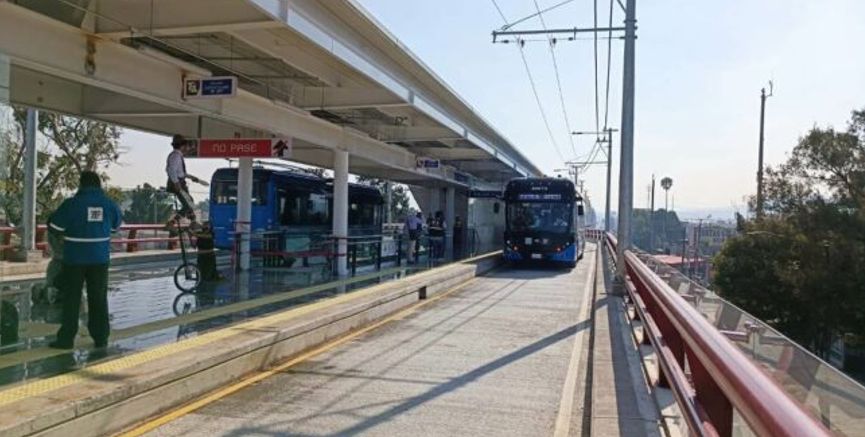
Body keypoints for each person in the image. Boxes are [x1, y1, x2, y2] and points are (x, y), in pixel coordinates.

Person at [48, 171, 122, 349]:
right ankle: (101, 338)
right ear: (98, 185)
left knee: (72, 298)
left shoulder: (71, 204)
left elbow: (55, 225)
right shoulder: (109, 205)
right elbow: (115, 227)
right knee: (98, 297)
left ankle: (66, 339)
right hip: (100, 258)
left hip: (75, 258)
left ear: (81, 185)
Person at [166, 134, 207, 225]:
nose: (187, 148)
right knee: (188, 204)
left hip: (179, 182)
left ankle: (193, 222)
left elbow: (179, 172)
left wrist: (192, 177)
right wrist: (176, 183)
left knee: (189, 202)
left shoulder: (177, 156)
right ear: (182, 146)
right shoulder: (175, 156)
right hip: (178, 183)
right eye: (186, 146)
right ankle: (172, 223)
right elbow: (170, 170)